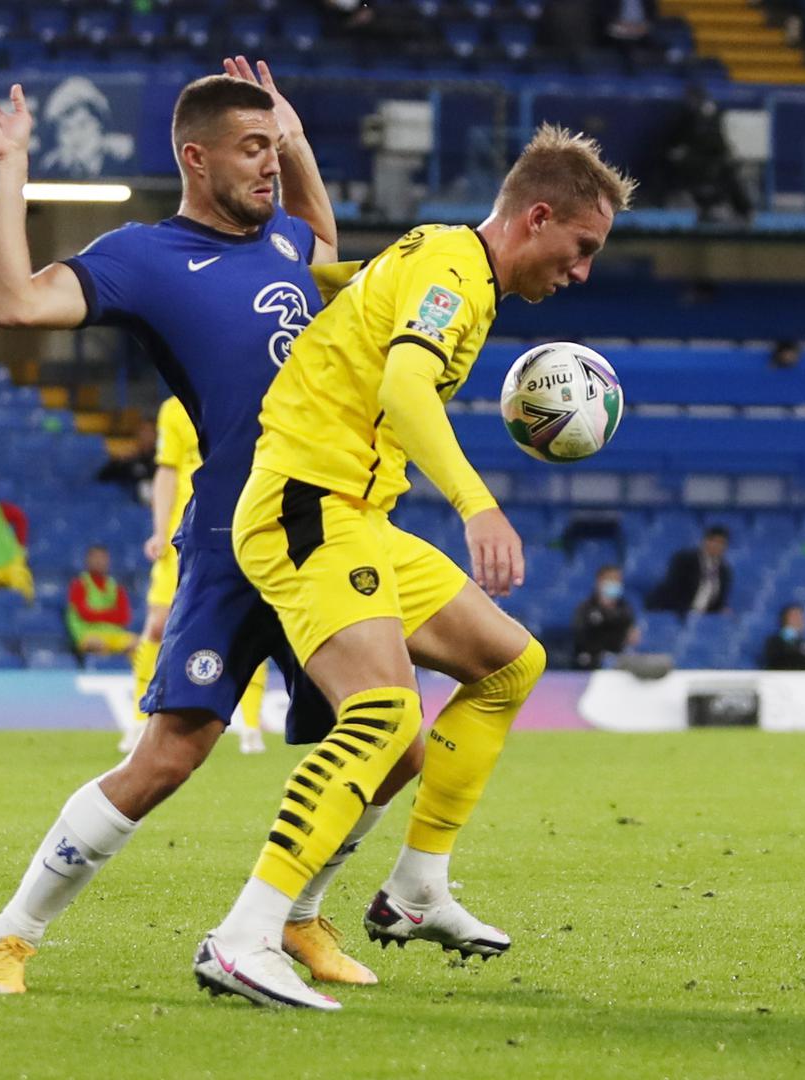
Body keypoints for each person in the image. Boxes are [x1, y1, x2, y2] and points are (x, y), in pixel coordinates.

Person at [0, 60, 386, 996]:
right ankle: (9, 935)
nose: (267, 167)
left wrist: (299, 140)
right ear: (195, 159)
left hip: (323, 531)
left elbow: (321, 238)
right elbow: (16, 304)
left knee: (389, 739)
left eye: (272, 149)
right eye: (251, 150)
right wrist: (10, 166)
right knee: (170, 756)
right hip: (238, 538)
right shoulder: (145, 256)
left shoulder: (281, 238)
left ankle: (298, 919)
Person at [195, 124, 633, 1010]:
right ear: (537, 216)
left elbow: (347, 298)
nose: (582, 270)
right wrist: (479, 505)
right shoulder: (452, 273)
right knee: (386, 716)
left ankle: (416, 889)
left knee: (512, 665)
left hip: (358, 515)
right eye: (581, 248)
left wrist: (303, 159)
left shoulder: (441, 259)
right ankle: (244, 936)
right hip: (308, 505)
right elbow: (400, 386)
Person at [126, 395, 268, 756]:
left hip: (238, 526)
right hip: (183, 532)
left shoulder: (247, 396)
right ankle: (138, 721)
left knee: (250, 626)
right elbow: (167, 470)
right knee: (157, 624)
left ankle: (251, 725)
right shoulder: (174, 409)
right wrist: (159, 530)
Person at [662, 86, 752, 223]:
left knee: (729, 175)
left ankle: (742, 211)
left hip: (712, 161)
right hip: (694, 162)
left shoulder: (713, 119)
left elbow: (720, 144)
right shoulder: (686, 118)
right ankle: (706, 207)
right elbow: (674, 144)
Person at [647, 524, 732, 617]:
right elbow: (672, 590)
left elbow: (718, 601)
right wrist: (687, 614)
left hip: (702, 618)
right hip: (674, 612)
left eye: (721, 543)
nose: (717, 546)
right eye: (714, 541)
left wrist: (721, 609)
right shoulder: (684, 560)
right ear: (704, 541)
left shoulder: (724, 571)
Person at [66, 545, 137, 656]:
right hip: (87, 634)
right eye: (96, 558)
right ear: (88, 560)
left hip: (112, 633)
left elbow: (124, 617)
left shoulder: (116, 587)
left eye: (103, 558)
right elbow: (84, 614)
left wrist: (97, 614)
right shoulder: (79, 585)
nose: (99, 562)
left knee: (138, 643)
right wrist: (111, 614)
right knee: (98, 645)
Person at [573, 564, 639, 670]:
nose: (614, 584)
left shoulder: (625, 609)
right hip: (591, 664)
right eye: (610, 580)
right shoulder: (586, 608)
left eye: (617, 580)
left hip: (619, 662)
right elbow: (580, 637)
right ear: (599, 581)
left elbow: (631, 635)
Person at [95, 418, 157, 498]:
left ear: (155, 435)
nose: (145, 436)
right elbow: (102, 477)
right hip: (129, 503)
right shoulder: (129, 460)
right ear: (137, 435)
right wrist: (116, 461)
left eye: (149, 432)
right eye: (143, 432)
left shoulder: (161, 459)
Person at [760, 604, 805, 671]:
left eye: (801, 617)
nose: (799, 620)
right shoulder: (774, 642)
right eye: (794, 617)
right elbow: (782, 660)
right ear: (784, 619)